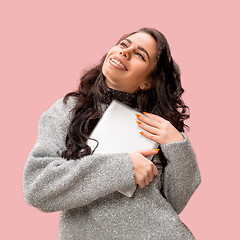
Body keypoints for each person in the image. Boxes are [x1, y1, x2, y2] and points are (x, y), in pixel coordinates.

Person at [23, 27, 201, 240]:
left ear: (148, 81)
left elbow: (173, 203)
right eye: (124, 44)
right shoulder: (68, 110)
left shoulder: (155, 126)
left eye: (140, 55)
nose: (125, 52)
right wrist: (124, 167)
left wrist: (178, 145)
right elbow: (37, 187)